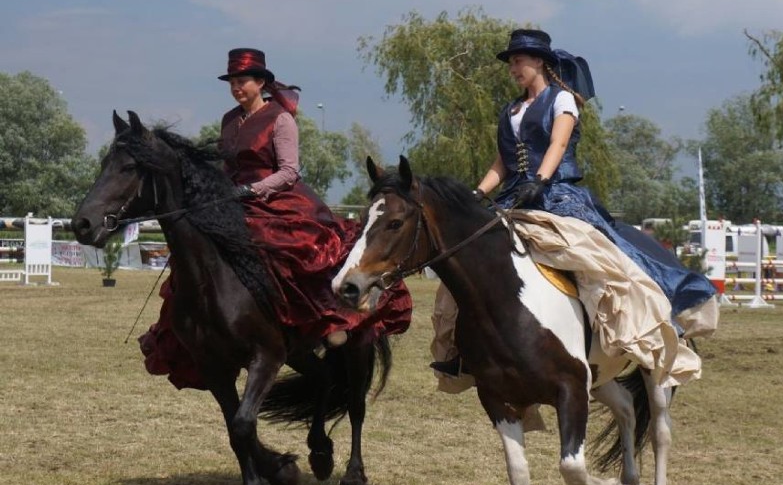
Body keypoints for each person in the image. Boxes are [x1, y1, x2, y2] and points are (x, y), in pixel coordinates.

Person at [430, 30, 718, 379]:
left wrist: (540, 180)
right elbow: (501, 163)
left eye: (519, 60)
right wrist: (476, 195)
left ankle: (621, 332)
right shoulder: (511, 110)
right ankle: (464, 350)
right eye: (511, 63)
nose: (513, 68)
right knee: (468, 261)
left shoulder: (561, 100)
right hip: (512, 197)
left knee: (589, 254)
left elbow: (558, 143)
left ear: (539, 62)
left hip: (556, 194)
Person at [140, 48, 412, 389]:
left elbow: (288, 171)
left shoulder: (280, 118)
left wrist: (252, 190)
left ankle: (328, 323)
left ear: (261, 83)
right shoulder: (228, 120)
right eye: (233, 83)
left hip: (276, 199)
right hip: (232, 199)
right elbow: (227, 167)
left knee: (297, 251)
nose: (237, 88)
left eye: (243, 82)